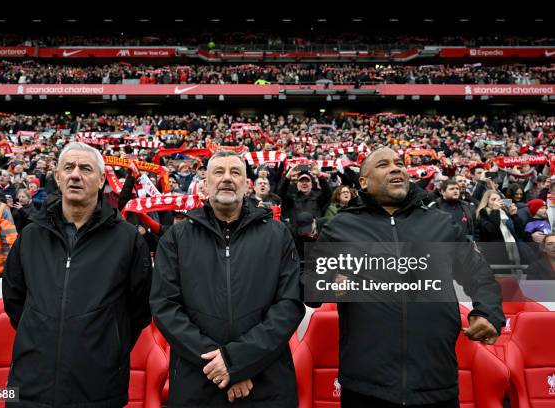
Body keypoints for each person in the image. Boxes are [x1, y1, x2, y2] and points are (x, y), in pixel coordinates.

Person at [318, 148, 504, 408]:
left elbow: (479, 274)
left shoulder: (441, 224)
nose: (396, 168)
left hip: (436, 382)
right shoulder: (339, 227)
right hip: (365, 387)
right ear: (363, 182)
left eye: (399, 163)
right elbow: (312, 284)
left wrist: (489, 312)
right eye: (383, 164)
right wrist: (329, 283)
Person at [2, 142, 152, 407]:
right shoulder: (31, 235)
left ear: (101, 179)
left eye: (85, 168)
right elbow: (15, 300)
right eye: (68, 167)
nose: (75, 175)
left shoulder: (127, 239)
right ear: (57, 177)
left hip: (99, 388)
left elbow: (138, 309)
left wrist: (108, 345)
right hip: (31, 385)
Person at [150, 150, 304, 407]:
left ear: (247, 184)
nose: (227, 178)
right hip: (198, 385)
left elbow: (289, 305)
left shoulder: (278, 234)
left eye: (235, 172)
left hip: (267, 384)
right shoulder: (176, 239)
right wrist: (222, 365)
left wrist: (237, 362)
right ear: (205, 183)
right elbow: (165, 308)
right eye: (218, 172)